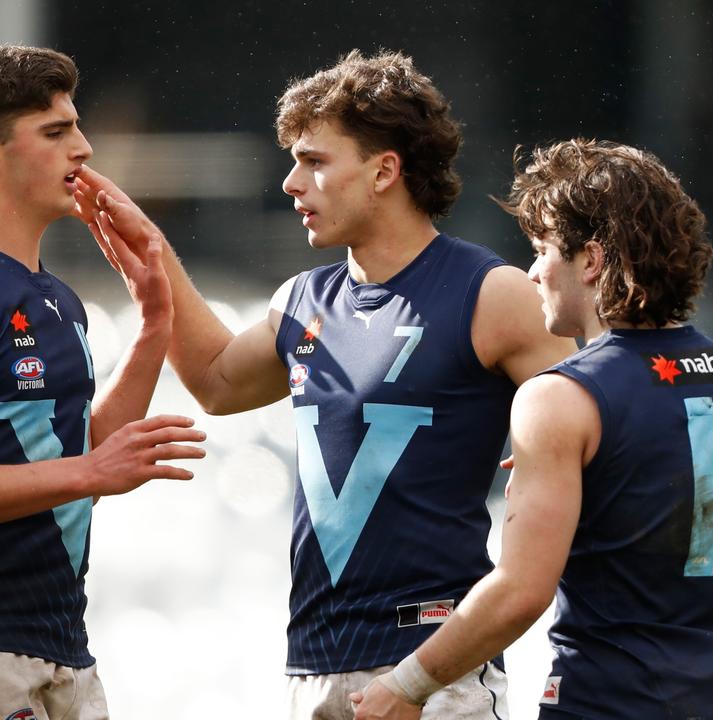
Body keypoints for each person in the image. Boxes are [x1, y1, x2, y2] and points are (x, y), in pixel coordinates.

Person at [72, 50, 576, 719]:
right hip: (313, 670)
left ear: (384, 172)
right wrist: (154, 264)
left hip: (435, 671)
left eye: (314, 161)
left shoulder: (492, 294)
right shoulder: (302, 300)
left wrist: (556, 447)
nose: (291, 182)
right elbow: (218, 383)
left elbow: (603, 417)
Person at [351, 139, 713, 720]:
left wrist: (406, 684)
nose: (532, 271)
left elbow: (521, 591)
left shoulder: (560, 397)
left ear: (591, 261)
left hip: (601, 704)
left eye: (542, 249)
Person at [0, 43, 205, 720]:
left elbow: (77, 460)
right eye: (56, 133)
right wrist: (91, 472)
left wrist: (154, 325)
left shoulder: (59, 298)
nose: (83, 149)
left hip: (62, 646)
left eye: (77, 128)